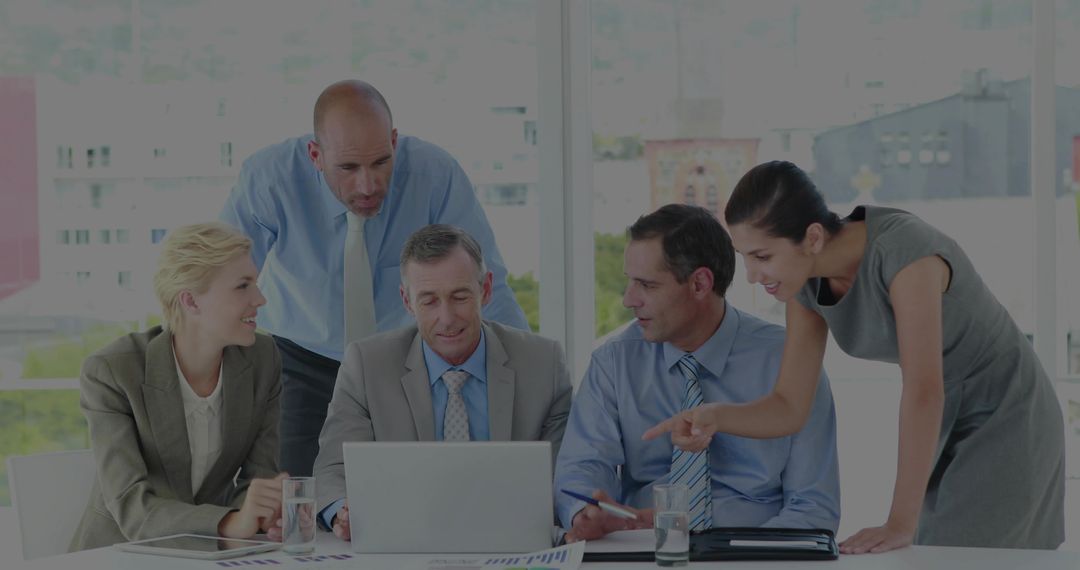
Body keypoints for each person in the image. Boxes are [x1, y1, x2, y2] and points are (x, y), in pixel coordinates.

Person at [646, 161, 1066, 552]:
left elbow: (923, 390)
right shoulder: (806, 284)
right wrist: (715, 416)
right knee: (935, 552)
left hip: (1007, 412)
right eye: (745, 258)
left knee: (958, 553)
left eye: (763, 257)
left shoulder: (905, 252)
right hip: (944, 420)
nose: (753, 277)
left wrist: (899, 522)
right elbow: (790, 406)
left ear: (812, 237)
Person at [220, 80, 528, 477]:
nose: (367, 186)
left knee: (415, 493)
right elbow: (224, 282)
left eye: (381, 162)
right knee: (295, 500)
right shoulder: (270, 179)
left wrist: (524, 385)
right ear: (316, 155)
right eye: (348, 168)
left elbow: (488, 287)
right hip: (299, 359)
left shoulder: (435, 175)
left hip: (403, 358)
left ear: (394, 142)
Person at [555, 204, 840, 543]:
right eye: (629, 282)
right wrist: (585, 513)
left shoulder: (788, 359)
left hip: (757, 553)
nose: (628, 300)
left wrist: (743, 558)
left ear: (700, 283)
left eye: (646, 285)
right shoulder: (613, 362)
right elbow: (581, 468)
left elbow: (814, 506)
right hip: (646, 548)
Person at [311, 224, 572, 541]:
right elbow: (332, 470)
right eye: (429, 301)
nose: (447, 318)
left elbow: (564, 476)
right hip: (404, 544)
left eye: (460, 297)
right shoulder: (367, 365)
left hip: (511, 545)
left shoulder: (544, 364)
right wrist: (344, 510)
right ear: (407, 301)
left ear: (486, 290)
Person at [70, 223, 287, 551]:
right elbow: (132, 508)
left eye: (255, 283)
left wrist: (262, 513)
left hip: (212, 556)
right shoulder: (113, 372)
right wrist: (230, 522)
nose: (260, 298)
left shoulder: (262, 359)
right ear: (191, 301)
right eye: (242, 286)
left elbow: (259, 478)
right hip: (120, 555)